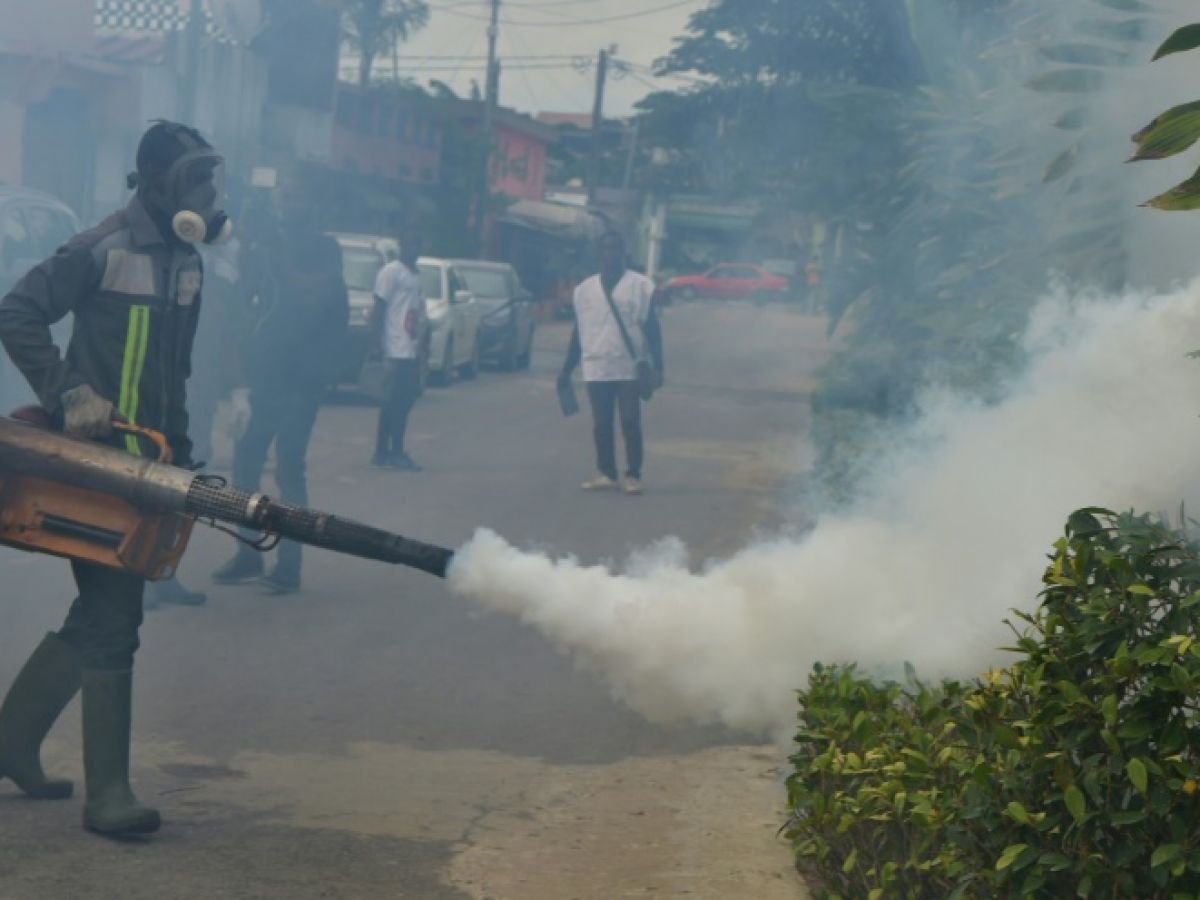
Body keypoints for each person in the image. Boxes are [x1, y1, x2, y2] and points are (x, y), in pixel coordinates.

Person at [0, 120, 229, 836]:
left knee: (103, 614)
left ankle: (10, 744)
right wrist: (69, 391)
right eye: (195, 178)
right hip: (90, 467)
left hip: (149, 465)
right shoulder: (101, 248)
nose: (208, 193)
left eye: (210, 179)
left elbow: (175, 372)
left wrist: (184, 461)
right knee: (114, 619)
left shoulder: (187, 263)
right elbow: (17, 311)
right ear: (157, 181)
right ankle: (109, 797)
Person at [211, 186, 348, 594]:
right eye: (287, 197)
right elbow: (248, 296)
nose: (291, 206)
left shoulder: (326, 248)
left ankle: (289, 566)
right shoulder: (270, 245)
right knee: (245, 465)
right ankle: (248, 553)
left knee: (289, 468)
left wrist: (277, 251)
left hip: (302, 380)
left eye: (297, 196)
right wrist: (251, 249)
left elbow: (312, 292)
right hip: (267, 375)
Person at [557, 231, 664, 495]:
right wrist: (567, 369)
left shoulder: (640, 286)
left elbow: (653, 329)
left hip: (629, 366)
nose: (611, 254)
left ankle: (633, 474)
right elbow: (578, 332)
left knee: (630, 421)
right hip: (596, 366)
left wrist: (659, 365)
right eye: (606, 249)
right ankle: (606, 472)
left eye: (616, 249)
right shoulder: (584, 290)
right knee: (601, 423)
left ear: (624, 253)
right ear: (599, 253)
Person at [371, 235, 426, 471]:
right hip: (395, 347)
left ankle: (384, 451)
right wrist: (376, 342)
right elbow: (379, 306)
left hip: (410, 348)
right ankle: (394, 451)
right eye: (409, 243)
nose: (413, 247)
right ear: (402, 246)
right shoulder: (391, 272)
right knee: (396, 402)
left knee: (400, 402)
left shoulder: (415, 276)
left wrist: (422, 347)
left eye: (418, 243)